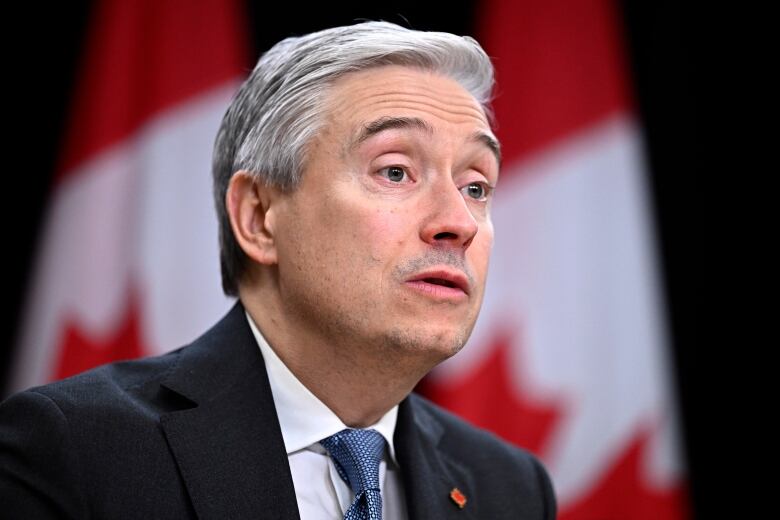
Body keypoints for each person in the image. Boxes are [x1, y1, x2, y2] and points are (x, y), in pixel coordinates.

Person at [0, 21, 556, 519]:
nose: (457, 222)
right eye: (395, 171)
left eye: (476, 186)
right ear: (260, 217)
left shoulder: (510, 489)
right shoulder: (72, 450)